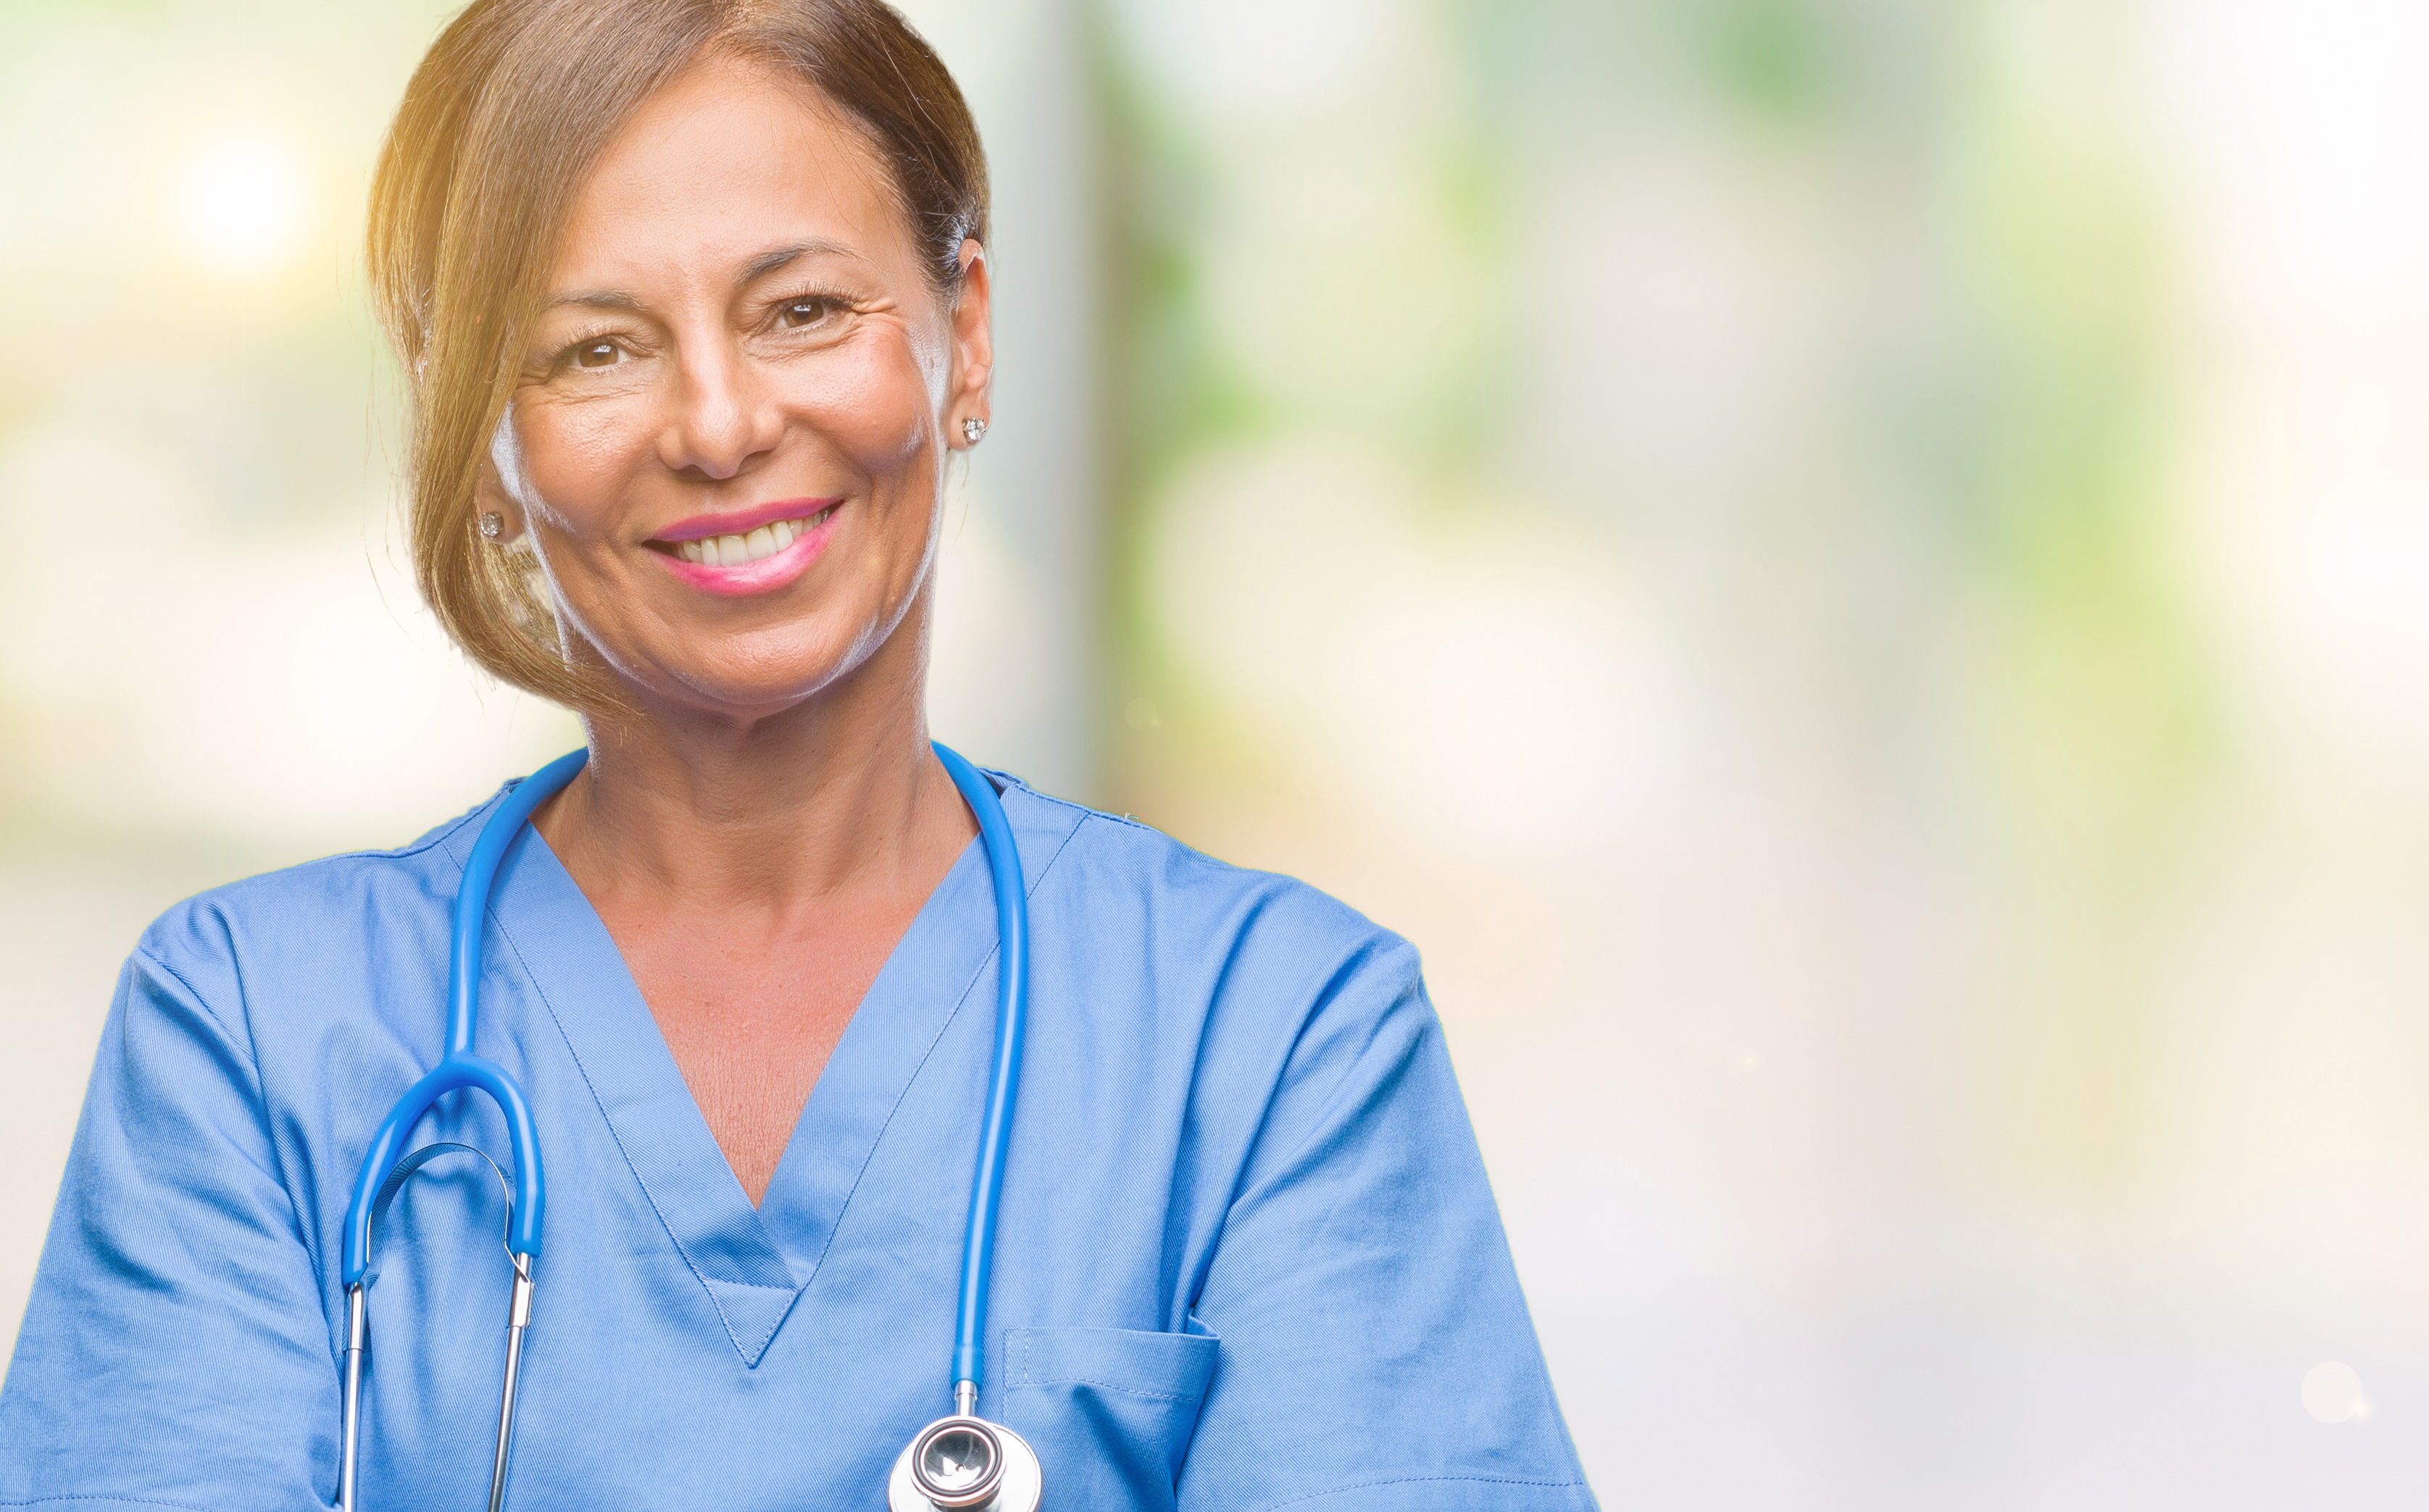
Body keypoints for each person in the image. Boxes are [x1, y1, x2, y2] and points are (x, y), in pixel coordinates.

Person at [0, 2, 1596, 1507]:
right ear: (472, 428)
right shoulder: (251, 1041)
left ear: (962, 339)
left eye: (803, 310)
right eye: (595, 349)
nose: (716, 421)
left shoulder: (1272, 1041)